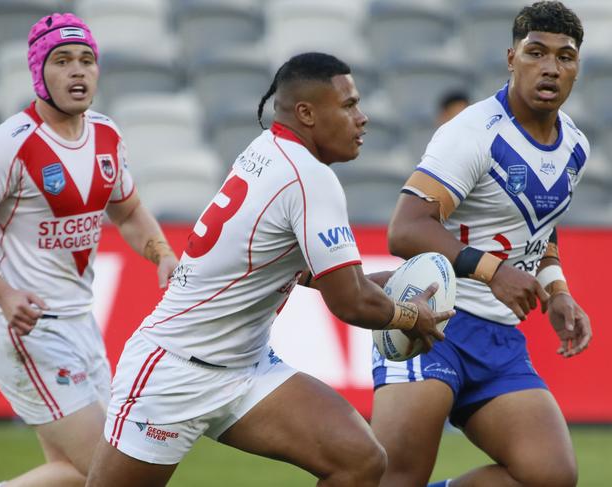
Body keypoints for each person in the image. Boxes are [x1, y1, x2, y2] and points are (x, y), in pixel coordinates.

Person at [85, 52, 454, 487]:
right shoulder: (308, 178)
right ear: (307, 113)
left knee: (359, 460)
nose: (363, 118)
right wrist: (408, 315)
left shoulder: (269, 149)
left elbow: (296, 269)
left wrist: (387, 289)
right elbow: (350, 302)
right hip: (175, 372)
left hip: (245, 368)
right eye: (350, 105)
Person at [371, 2, 591, 486]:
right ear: (512, 58)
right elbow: (405, 228)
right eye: (537, 52)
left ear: (577, 66)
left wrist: (557, 291)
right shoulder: (471, 134)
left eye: (565, 56)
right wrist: (494, 271)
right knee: (396, 477)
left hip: (500, 339)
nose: (551, 67)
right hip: (433, 321)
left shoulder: (575, 145)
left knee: (550, 477)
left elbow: (540, 225)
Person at [0, 13, 177, 487]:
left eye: (87, 60)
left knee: (78, 477)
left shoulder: (106, 135)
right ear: (39, 71)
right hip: (33, 331)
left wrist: (161, 252)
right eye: (62, 61)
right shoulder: (7, 146)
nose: (78, 71)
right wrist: (3, 294)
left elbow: (128, 212)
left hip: (83, 326)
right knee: (121, 472)